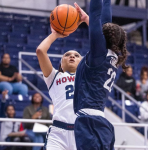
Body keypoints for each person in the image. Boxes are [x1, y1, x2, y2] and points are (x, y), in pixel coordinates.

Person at [73, 0, 128, 149]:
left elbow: (97, 15)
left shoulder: (100, 53)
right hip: (101, 123)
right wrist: (86, 19)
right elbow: (103, 18)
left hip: (89, 122)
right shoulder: (113, 56)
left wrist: (90, 17)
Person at [36, 2, 89, 149]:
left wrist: (87, 19)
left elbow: (104, 47)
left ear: (82, 62)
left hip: (82, 132)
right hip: (58, 132)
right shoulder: (54, 76)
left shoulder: (88, 77)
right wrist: (55, 34)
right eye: (67, 55)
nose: (72, 56)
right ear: (61, 63)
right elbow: (41, 51)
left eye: (76, 55)